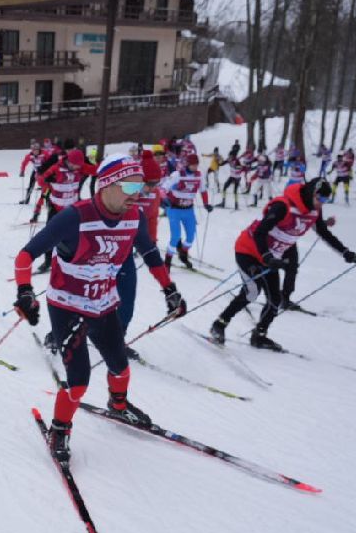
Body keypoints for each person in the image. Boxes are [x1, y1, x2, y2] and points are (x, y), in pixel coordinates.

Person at [12, 153, 185, 463]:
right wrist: (25, 291)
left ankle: (118, 405)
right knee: (78, 380)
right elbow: (26, 256)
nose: (137, 195)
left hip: (104, 303)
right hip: (68, 307)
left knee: (121, 367)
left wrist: (169, 289)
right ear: (107, 185)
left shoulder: (133, 217)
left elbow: (149, 252)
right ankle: (59, 429)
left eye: (140, 188)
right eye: (130, 187)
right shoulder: (75, 217)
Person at [210, 178, 356, 351]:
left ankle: (259, 336)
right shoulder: (283, 206)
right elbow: (260, 232)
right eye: (320, 198)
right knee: (252, 292)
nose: (321, 203)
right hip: (248, 251)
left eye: (326, 200)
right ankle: (219, 324)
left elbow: (325, 234)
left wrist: (348, 255)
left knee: (275, 300)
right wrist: (267, 256)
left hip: (272, 257)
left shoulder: (314, 211)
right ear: (311, 193)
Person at [116, 150, 170, 359]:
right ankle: (61, 333)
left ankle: (117, 340)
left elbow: (152, 219)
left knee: (127, 301)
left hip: (126, 254)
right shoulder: (121, 192)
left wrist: (150, 243)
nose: (153, 188)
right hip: (103, 254)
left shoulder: (152, 195)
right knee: (90, 300)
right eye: (150, 183)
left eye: (157, 184)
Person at [30, 148, 98, 272]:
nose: (77, 168)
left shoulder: (80, 167)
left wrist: (108, 167)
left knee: (77, 234)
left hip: (72, 208)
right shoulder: (56, 168)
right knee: (50, 235)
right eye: (75, 165)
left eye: (79, 165)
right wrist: (46, 180)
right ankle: (48, 261)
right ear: (69, 161)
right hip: (56, 207)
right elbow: (40, 180)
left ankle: (76, 258)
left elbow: (95, 170)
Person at [163, 153, 212, 270]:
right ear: (187, 164)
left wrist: (206, 204)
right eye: (192, 165)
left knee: (190, 237)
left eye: (196, 165)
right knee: (175, 237)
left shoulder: (199, 176)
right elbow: (163, 188)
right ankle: (167, 262)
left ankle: (183, 254)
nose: (195, 167)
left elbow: (203, 190)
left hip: (188, 210)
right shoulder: (177, 175)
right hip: (174, 209)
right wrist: (165, 199)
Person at [19, 139, 46, 204]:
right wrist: (22, 171)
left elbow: (50, 160)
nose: (35, 152)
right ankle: (27, 200)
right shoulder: (29, 155)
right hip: (35, 171)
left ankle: (44, 200)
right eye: (34, 150)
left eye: (37, 150)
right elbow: (24, 163)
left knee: (44, 186)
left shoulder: (44, 153)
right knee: (31, 185)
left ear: (39, 150)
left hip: (43, 171)